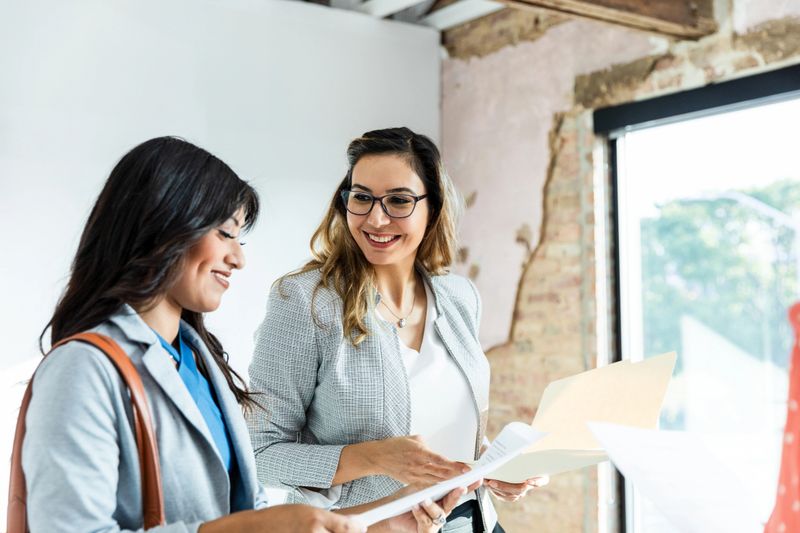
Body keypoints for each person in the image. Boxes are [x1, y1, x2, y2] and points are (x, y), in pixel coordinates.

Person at [22, 136, 467, 533]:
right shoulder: (81, 369)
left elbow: (244, 510)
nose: (238, 258)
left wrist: (376, 521)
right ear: (161, 227)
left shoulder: (199, 361)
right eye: (225, 234)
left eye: (241, 239)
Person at [248, 127, 547, 533]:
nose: (376, 217)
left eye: (399, 201)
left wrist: (494, 467)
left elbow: (449, 427)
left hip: (471, 522)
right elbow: (260, 452)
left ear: (433, 208)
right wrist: (372, 457)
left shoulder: (459, 297)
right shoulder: (304, 302)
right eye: (362, 197)